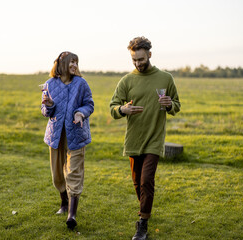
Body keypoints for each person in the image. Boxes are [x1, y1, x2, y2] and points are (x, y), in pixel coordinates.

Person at [110, 37, 181, 240]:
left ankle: (142, 223)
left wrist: (169, 105)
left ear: (149, 54)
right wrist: (123, 109)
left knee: (147, 180)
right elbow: (113, 107)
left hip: (155, 139)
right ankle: (145, 209)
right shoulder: (126, 81)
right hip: (134, 139)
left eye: (141, 59)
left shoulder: (166, 78)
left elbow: (176, 105)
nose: (138, 64)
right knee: (137, 183)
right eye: (134, 60)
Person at [41, 51, 94, 230]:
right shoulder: (49, 84)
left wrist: (81, 113)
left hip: (77, 133)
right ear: (61, 64)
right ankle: (63, 202)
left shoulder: (81, 83)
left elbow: (89, 104)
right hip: (56, 134)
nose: (74, 65)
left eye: (76, 62)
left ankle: (72, 214)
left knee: (74, 172)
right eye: (71, 62)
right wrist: (48, 106)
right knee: (57, 174)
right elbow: (45, 111)